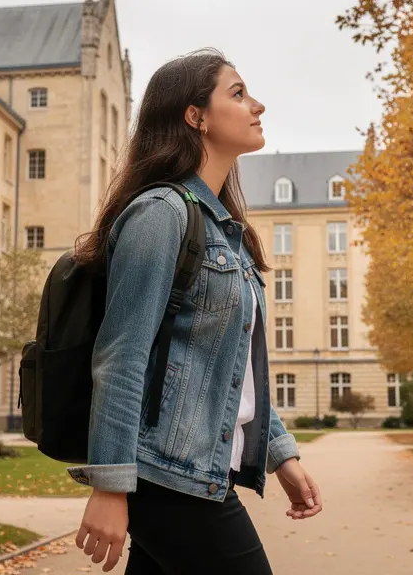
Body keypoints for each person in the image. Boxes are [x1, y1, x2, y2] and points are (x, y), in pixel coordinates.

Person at [67, 49, 323, 574]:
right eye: (238, 93)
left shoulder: (224, 229)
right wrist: (111, 486)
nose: (258, 105)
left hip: (195, 471)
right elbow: (120, 358)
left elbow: (229, 368)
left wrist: (280, 455)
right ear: (195, 116)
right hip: (167, 474)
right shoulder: (160, 214)